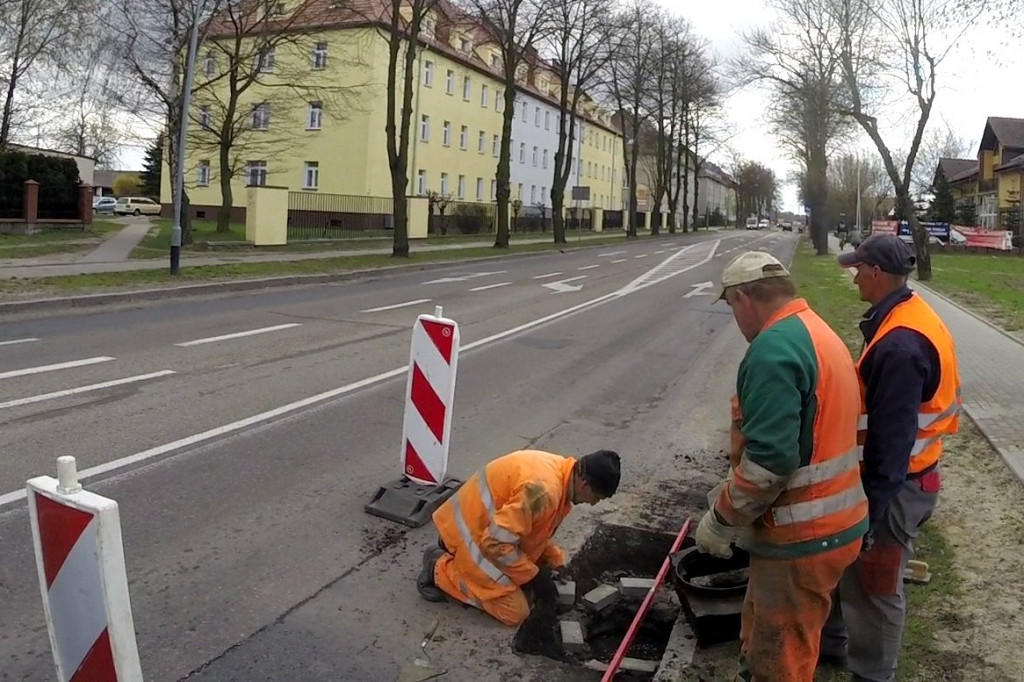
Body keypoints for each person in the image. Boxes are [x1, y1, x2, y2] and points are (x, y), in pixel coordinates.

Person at [696, 251, 868, 682]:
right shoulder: (814, 330)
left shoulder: (772, 351)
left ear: (744, 298)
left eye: (732, 306)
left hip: (800, 537)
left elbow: (771, 462)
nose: (735, 318)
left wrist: (722, 519)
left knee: (781, 659)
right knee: (767, 636)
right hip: (833, 524)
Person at [821, 234, 962, 681]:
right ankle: (834, 645)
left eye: (858, 268)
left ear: (878, 273)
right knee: (855, 572)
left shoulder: (902, 344)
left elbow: (891, 444)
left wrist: (871, 511)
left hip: (897, 486)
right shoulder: (904, 315)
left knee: (878, 583)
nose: (854, 274)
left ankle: (873, 675)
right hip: (909, 477)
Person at [417, 449, 620, 626]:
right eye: (597, 498)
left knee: (526, 583)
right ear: (585, 483)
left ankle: (454, 552)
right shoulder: (544, 491)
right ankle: (439, 566)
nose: (593, 504)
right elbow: (495, 543)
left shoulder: (561, 473)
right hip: (473, 536)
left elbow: (535, 529)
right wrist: (535, 576)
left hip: (485, 526)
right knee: (515, 611)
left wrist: (554, 562)